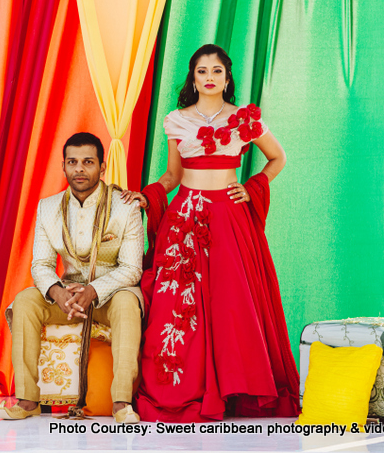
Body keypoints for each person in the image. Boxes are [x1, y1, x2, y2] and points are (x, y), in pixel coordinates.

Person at [121, 44, 300, 422]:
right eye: (202, 71)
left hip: (229, 220)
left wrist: (251, 187)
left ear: (227, 77)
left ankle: (234, 392)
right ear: (193, 77)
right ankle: (179, 390)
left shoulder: (244, 119)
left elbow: (278, 157)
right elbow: (172, 177)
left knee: (230, 306)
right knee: (177, 309)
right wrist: (147, 195)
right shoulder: (176, 120)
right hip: (184, 219)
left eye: (216, 71)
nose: (209, 77)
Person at [0, 132, 144, 423]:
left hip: (111, 294)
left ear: (102, 167)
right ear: (63, 166)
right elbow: (40, 264)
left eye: (88, 162)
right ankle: (28, 399)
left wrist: (93, 290)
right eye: (73, 162)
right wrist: (57, 293)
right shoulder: (48, 207)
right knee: (25, 300)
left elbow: (132, 269)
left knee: (129, 302)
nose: (79, 169)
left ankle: (121, 403)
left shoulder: (125, 206)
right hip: (67, 296)